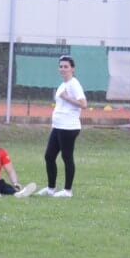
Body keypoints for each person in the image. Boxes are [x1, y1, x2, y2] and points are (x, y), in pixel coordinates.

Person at [40, 54, 86, 197]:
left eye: (66, 66)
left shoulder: (74, 83)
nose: (63, 69)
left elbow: (83, 104)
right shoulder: (63, 85)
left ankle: (67, 190)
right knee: (49, 156)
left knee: (67, 157)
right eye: (61, 66)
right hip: (58, 126)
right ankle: (51, 188)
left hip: (69, 127)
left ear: (72, 68)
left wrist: (66, 97)